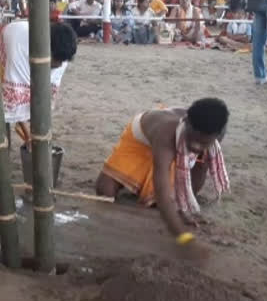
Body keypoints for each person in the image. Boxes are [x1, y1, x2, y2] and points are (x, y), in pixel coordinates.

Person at [95, 98, 230, 259]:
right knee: (104, 191)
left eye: (204, 142)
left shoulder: (216, 134)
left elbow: (200, 164)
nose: (196, 147)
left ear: (217, 135)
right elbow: (162, 191)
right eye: (193, 139)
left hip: (174, 143)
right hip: (141, 140)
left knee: (201, 161)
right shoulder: (165, 133)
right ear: (186, 122)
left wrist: (183, 207)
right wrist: (183, 238)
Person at [0, 21, 77, 146]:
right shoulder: (19, 48)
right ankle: (3, 145)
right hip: (6, 40)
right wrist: (28, 136)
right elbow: (15, 100)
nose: (60, 65)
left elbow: (46, 94)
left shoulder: (62, 54)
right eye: (58, 60)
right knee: (4, 104)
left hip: (27, 38)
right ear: (47, 49)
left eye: (63, 61)